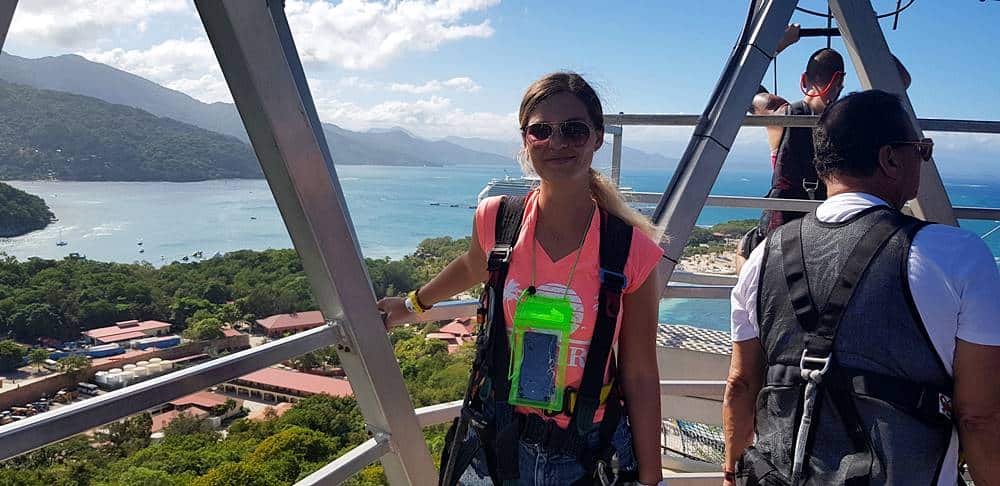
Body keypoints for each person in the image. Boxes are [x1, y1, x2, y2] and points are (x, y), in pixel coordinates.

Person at [378, 72, 665, 485]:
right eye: (541, 131)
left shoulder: (630, 250)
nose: (557, 142)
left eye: (573, 130)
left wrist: (651, 479)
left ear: (598, 137)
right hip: (496, 439)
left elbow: (639, 371)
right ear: (525, 140)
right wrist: (411, 306)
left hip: (584, 451)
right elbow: (471, 266)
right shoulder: (498, 220)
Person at [723, 90, 1000, 485]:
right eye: (921, 150)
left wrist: (731, 471)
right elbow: (979, 416)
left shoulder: (765, 255)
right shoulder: (959, 255)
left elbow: (741, 384)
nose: (923, 160)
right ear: (890, 158)